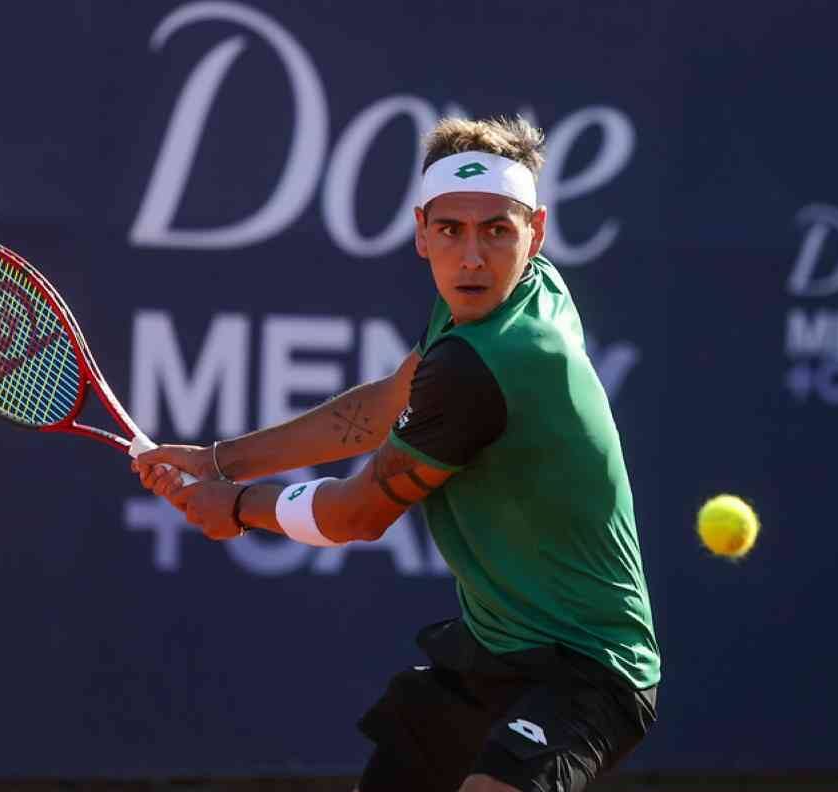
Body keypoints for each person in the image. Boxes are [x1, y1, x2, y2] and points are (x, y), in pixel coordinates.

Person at [133, 116, 660, 792]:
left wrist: (235, 509)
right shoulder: (518, 292)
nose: (472, 256)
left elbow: (357, 515)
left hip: (588, 668)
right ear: (421, 231)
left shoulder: (489, 361)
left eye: (497, 229)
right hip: (494, 653)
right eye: (451, 230)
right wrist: (219, 461)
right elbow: (382, 408)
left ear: (537, 232)